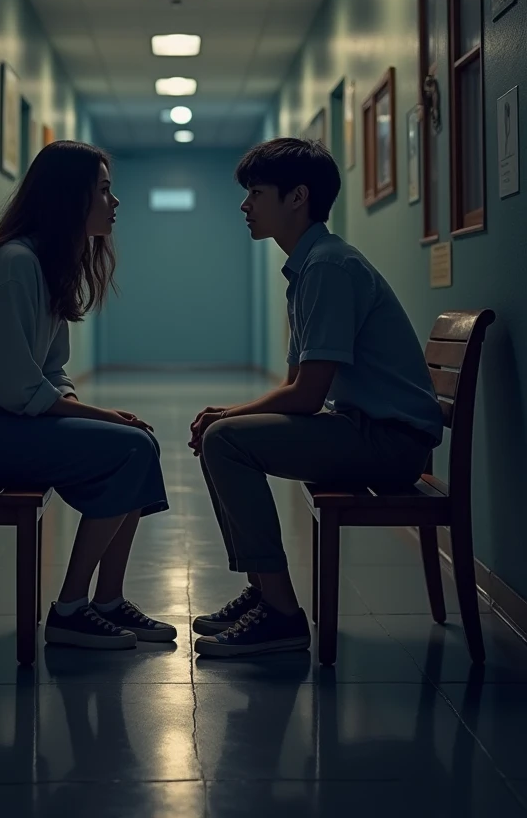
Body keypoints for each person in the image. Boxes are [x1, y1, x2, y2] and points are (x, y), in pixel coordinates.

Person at [189, 138, 443, 659]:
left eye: (255, 193)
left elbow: (306, 397)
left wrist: (229, 417)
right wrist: (226, 416)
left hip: (390, 444)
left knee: (225, 440)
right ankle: (264, 591)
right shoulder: (309, 267)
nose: (245, 205)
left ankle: (281, 615)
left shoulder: (328, 267)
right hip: (365, 429)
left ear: (297, 196)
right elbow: (295, 386)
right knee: (222, 435)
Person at [0, 141, 175, 651]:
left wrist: (90, 412)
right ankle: (70, 610)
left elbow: (52, 370)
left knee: (136, 443)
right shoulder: (16, 263)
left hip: (2, 423)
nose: (115, 202)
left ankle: (106, 601)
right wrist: (98, 415)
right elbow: (15, 386)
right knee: (130, 446)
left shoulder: (48, 263)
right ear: (69, 198)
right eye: (104, 190)